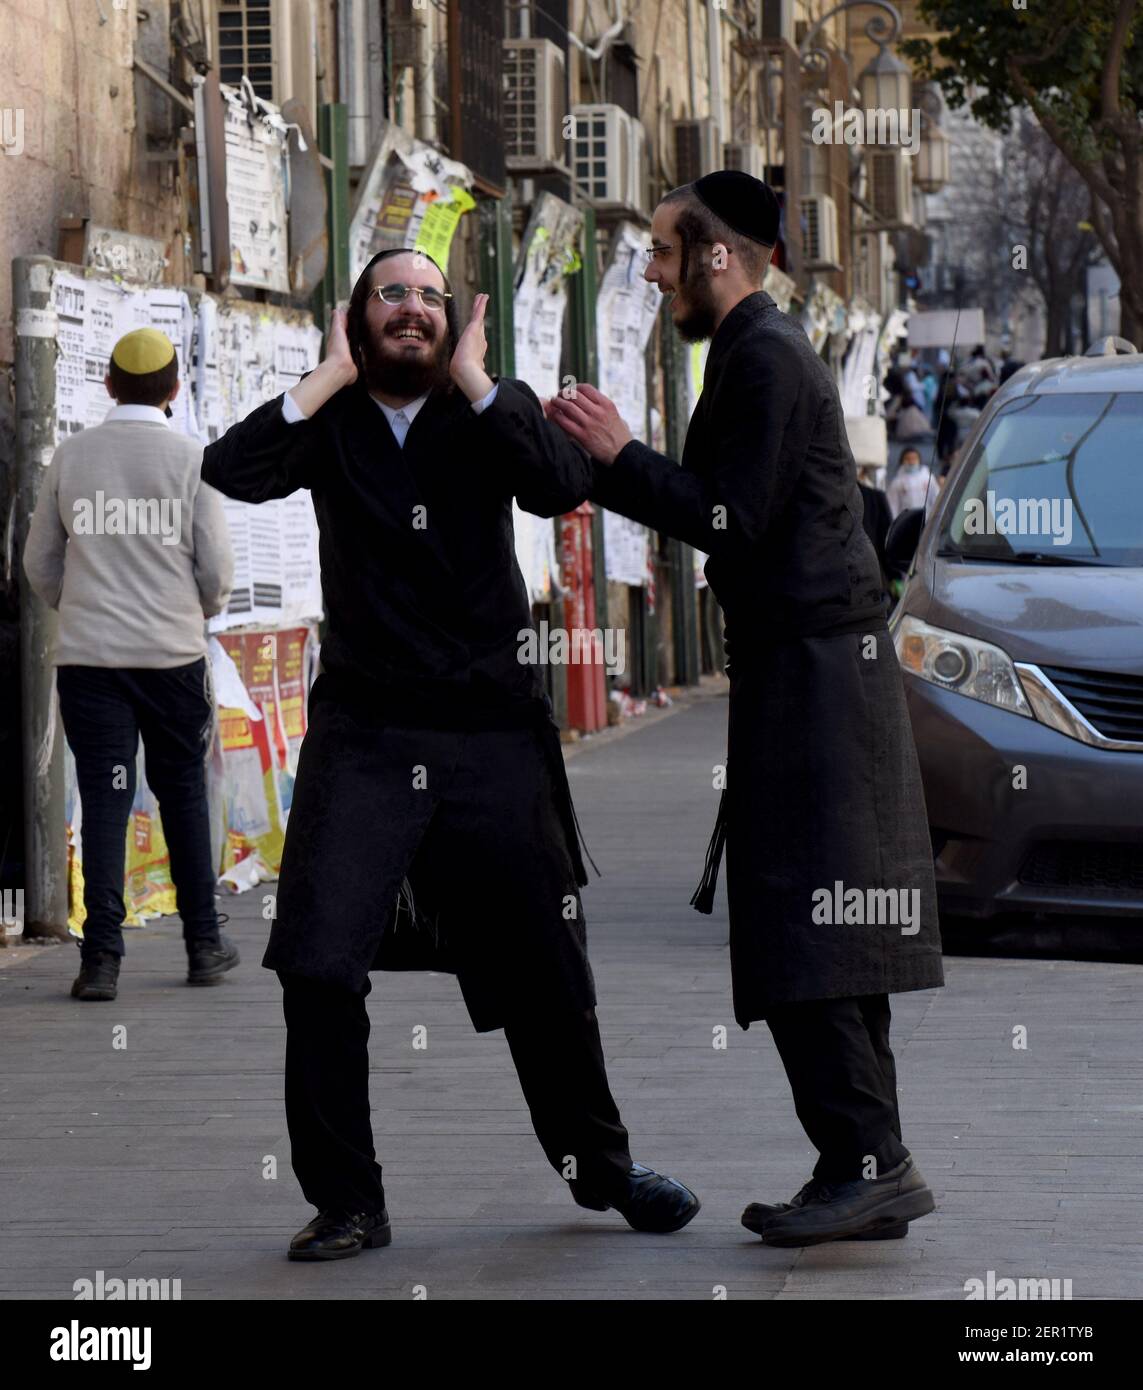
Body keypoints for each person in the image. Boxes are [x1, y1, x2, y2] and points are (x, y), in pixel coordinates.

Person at [199, 248, 699, 1261]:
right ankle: (349, 1200)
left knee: (547, 967)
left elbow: (562, 486)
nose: (414, 312)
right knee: (317, 961)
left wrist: (480, 380)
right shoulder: (330, 419)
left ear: (456, 324)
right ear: (356, 318)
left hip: (487, 735)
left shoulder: (486, 410)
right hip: (367, 735)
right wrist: (330, 375)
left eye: (432, 299)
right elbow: (230, 469)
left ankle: (602, 1168)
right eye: (393, 296)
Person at [547, 171, 943, 1248]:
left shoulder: (762, 357)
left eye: (666, 254)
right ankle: (865, 1164)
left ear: (718, 255)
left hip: (815, 680)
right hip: (809, 672)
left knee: (812, 922)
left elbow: (734, 517)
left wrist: (618, 459)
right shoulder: (756, 352)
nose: (657, 274)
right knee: (830, 924)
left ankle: (871, 1163)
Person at [23, 328, 238, 1002]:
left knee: (106, 801)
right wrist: (189, 611)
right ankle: (203, 943)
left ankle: (102, 962)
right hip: (171, 661)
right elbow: (217, 572)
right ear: (176, 389)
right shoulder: (190, 460)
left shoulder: (73, 458)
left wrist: (79, 606)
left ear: (109, 385)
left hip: (92, 664)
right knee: (181, 794)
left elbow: (39, 564)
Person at [886, 446, 939, 518]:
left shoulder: (929, 479)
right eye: (908, 459)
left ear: (919, 460)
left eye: (914, 458)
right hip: (906, 521)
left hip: (926, 519)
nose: (911, 462)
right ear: (902, 461)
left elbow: (936, 499)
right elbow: (893, 505)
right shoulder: (897, 482)